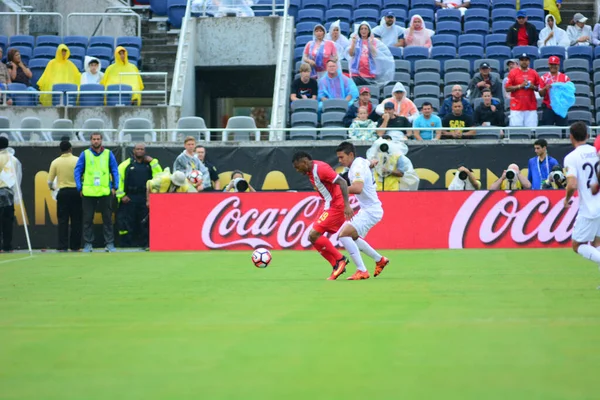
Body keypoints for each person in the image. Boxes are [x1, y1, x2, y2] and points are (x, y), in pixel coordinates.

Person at [291, 151, 353, 280]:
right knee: (312, 237)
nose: (297, 170)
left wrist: (347, 205)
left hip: (336, 205)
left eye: (298, 167)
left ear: (304, 162)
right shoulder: (310, 171)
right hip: (328, 205)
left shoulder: (321, 169)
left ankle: (340, 259)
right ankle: (336, 265)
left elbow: (342, 182)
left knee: (314, 234)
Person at [336, 141, 390, 280]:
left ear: (351, 155)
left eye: (342, 157)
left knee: (343, 235)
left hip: (371, 211)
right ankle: (380, 260)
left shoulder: (357, 168)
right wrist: (373, 163)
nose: (339, 160)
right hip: (370, 209)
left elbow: (358, 188)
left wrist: (337, 191)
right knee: (352, 237)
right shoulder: (360, 162)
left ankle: (362, 270)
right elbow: (370, 162)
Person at [74, 133, 120, 253]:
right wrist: (80, 188)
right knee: (88, 219)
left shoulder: (108, 154)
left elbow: (115, 170)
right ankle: (88, 244)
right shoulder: (85, 154)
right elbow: (77, 170)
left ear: (101, 140)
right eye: (94, 139)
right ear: (90, 141)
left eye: (98, 139)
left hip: (105, 191)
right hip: (89, 192)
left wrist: (115, 186)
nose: (96, 141)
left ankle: (109, 244)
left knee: (108, 219)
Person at [564, 122, 600, 269]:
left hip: (589, 209)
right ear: (587, 135)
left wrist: (567, 199)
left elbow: (572, 184)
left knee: (577, 245)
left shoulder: (571, 157)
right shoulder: (597, 152)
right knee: (597, 242)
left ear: (570, 137)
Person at [116, 144, 162, 248]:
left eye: (142, 149)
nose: (140, 151)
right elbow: (118, 180)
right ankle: (126, 245)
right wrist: (122, 195)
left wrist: (153, 162)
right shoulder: (126, 164)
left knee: (144, 223)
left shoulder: (150, 164)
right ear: (133, 151)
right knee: (127, 222)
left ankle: (144, 244)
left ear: (145, 151)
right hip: (130, 198)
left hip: (145, 198)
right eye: (138, 149)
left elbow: (160, 177)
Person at [48, 140, 81, 252]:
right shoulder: (77, 160)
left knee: (63, 221)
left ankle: (62, 246)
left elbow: (50, 181)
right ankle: (75, 246)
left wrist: (53, 188)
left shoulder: (55, 162)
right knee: (76, 220)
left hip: (62, 193)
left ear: (60, 150)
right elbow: (83, 176)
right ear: (71, 149)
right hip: (76, 192)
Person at [346, 21, 394, 85]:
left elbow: (374, 54)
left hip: (369, 73)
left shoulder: (374, 41)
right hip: (356, 73)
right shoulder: (355, 41)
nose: (363, 30)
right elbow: (351, 54)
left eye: (365, 29)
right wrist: (353, 44)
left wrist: (370, 44)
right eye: (362, 29)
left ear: (369, 31)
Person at [505, 53, 542, 128]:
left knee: (532, 131)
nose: (524, 62)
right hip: (517, 106)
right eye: (522, 60)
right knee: (516, 132)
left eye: (526, 60)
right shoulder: (513, 72)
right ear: (519, 62)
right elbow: (507, 88)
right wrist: (520, 86)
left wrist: (533, 87)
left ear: (529, 62)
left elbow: (540, 88)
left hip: (530, 107)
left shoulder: (534, 72)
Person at [0, 137, 21, 252]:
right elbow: (17, 178)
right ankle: (7, 246)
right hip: (8, 192)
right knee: (8, 221)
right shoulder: (13, 159)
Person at [539, 56, 571, 127]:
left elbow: (569, 92)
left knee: (563, 129)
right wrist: (545, 88)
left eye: (555, 64)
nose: (553, 66)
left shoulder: (565, 78)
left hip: (561, 107)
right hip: (548, 107)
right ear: (548, 65)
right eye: (551, 64)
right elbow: (541, 94)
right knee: (547, 129)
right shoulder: (543, 77)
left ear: (558, 65)